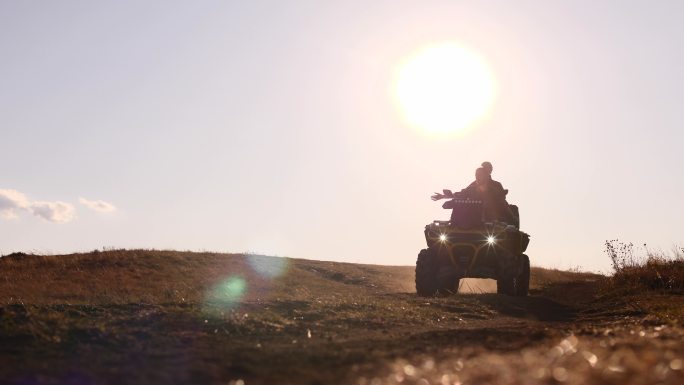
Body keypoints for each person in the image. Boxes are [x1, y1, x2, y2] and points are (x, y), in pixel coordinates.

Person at [432, 161, 515, 224]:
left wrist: (497, 196)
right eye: (476, 175)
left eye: (480, 175)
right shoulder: (472, 187)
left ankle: (511, 226)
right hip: (473, 217)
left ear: (487, 174)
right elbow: (461, 194)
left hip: (492, 216)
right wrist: (443, 196)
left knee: (507, 213)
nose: (477, 177)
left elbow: (501, 197)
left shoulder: (496, 185)